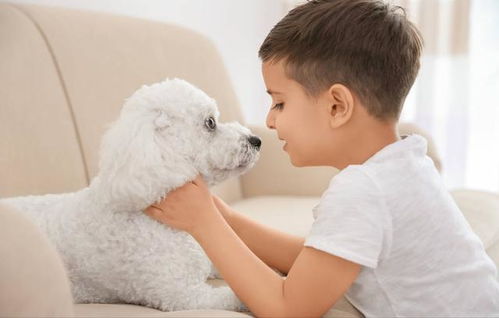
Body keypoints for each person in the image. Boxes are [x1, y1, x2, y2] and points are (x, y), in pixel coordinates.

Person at [144, 0, 499, 316]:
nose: (269, 120)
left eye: (280, 102)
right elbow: (318, 259)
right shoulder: (405, 163)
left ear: (336, 106)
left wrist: (204, 224)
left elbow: (288, 308)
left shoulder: (362, 190)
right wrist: (224, 217)